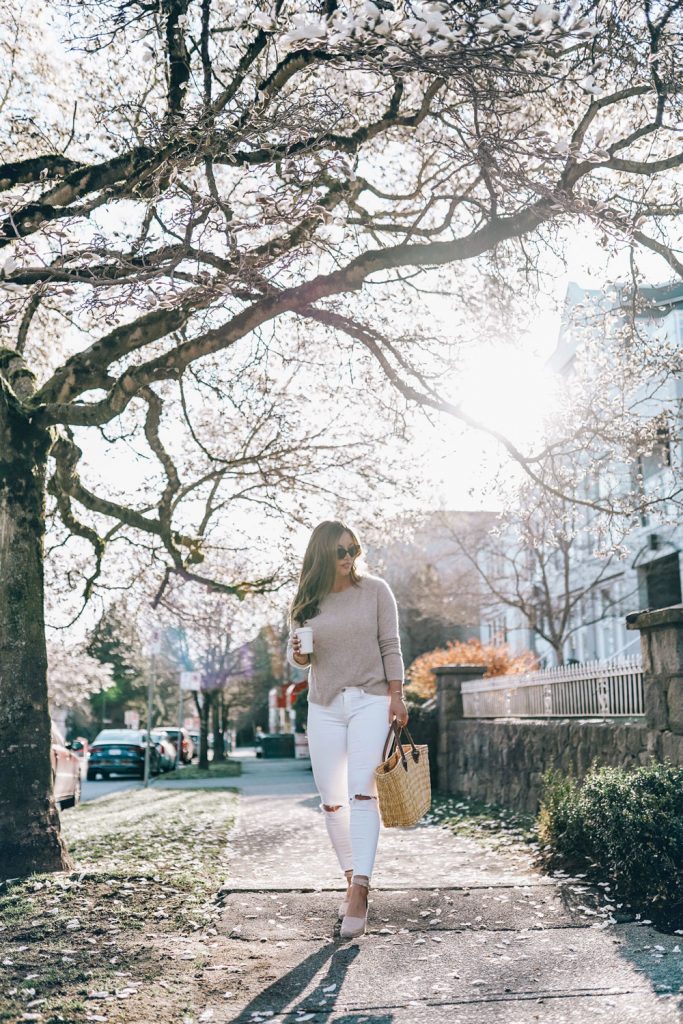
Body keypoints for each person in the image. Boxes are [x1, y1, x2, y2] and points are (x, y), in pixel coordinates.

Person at [287, 520, 408, 939]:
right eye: (340, 551)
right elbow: (301, 659)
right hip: (323, 705)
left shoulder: (376, 591)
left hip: (372, 700)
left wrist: (398, 694)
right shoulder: (308, 600)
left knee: (361, 791)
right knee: (332, 801)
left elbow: (390, 644)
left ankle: (360, 891)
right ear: (322, 554)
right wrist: (298, 654)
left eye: (353, 548)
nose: (348, 558)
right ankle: (349, 874)